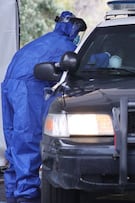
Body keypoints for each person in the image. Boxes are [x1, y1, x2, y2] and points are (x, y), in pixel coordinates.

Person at [1, 11, 86, 203]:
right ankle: (26, 196)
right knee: (27, 139)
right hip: (28, 88)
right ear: (73, 27)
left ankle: (13, 194)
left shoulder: (43, 41)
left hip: (9, 85)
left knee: (15, 141)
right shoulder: (65, 46)